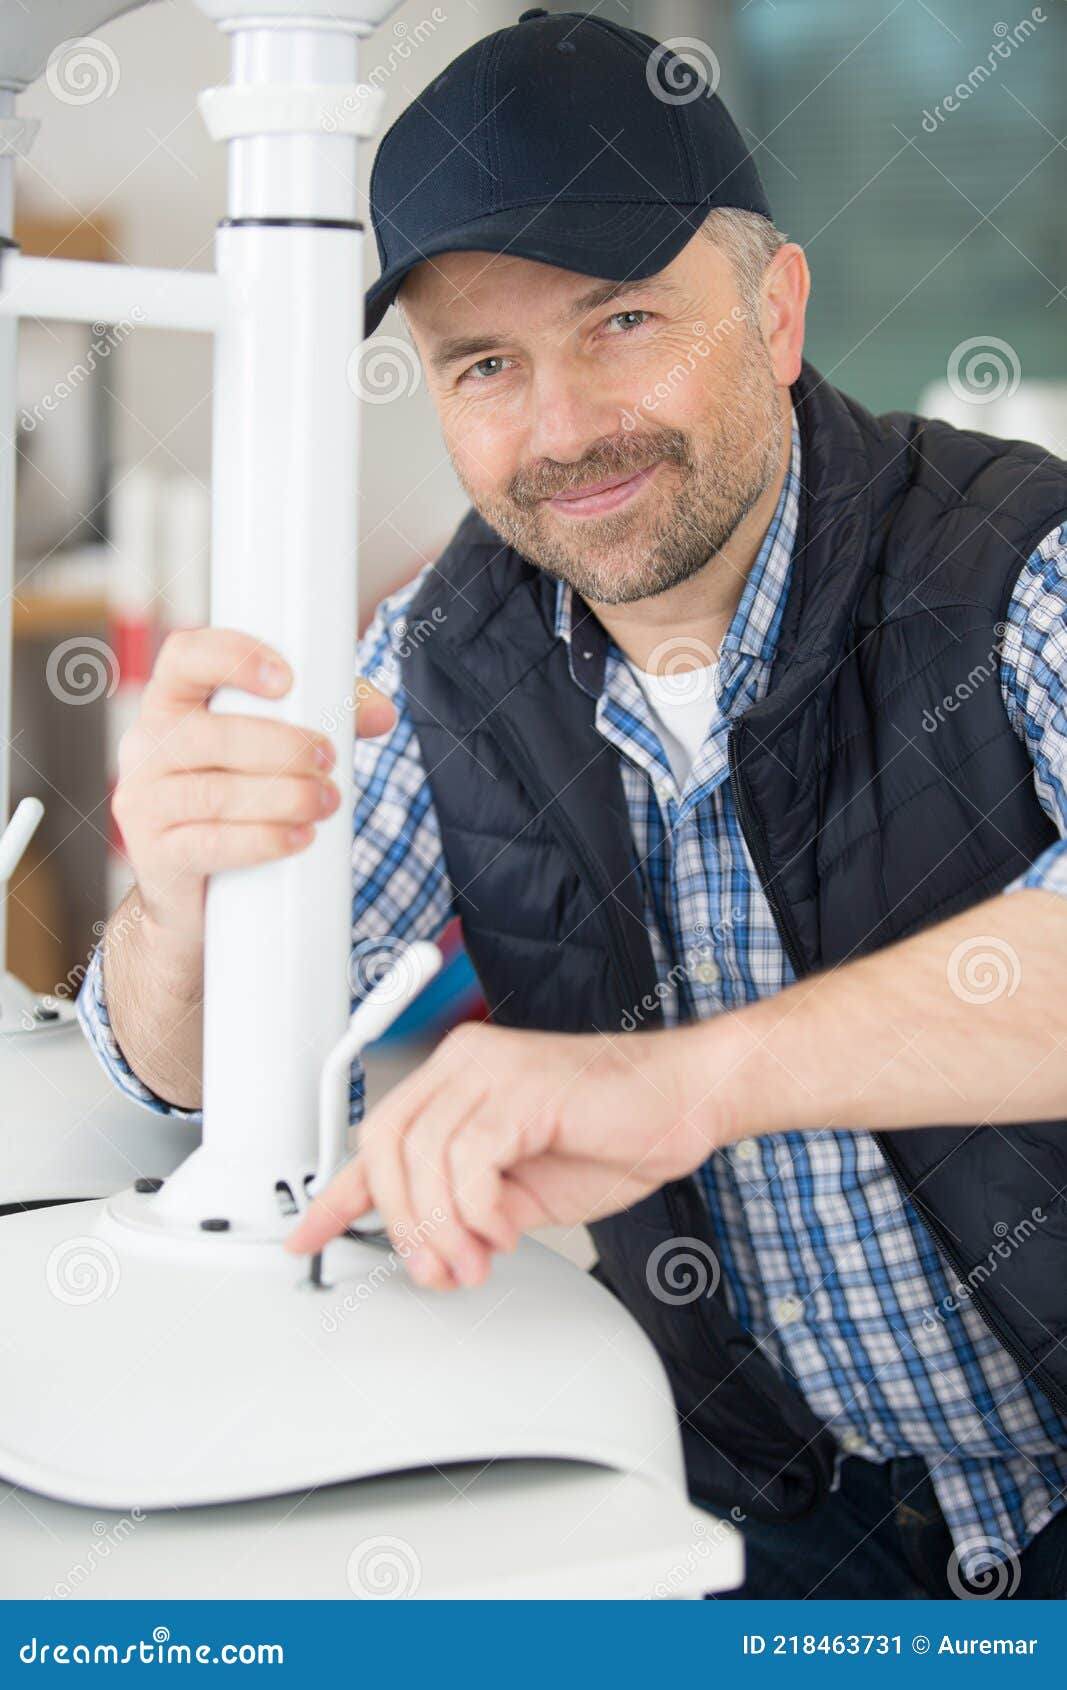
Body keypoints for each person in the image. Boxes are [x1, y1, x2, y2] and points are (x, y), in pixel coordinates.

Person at [78, 9, 1067, 1598]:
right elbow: (191, 1076)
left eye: (620, 323)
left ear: (778, 309)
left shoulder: (1018, 562)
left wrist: (687, 1084)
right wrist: (182, 905)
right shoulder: (442, 656)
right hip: (768, 1534)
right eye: (487, 363)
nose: (560, 430)